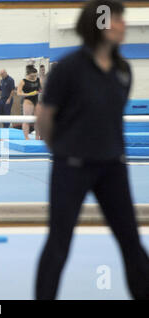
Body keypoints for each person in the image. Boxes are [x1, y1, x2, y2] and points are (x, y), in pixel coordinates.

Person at [35, 0, 149, 300]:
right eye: (117, 19)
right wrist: (64, 150)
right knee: (60, 242)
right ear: (98, 24)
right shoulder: (69, 68)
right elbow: (45, 119)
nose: (123, 24)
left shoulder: (123, 70)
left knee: (130, 241)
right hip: (71, 166)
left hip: (112, 167)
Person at [17, 65, 42, 140]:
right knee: (26, 120)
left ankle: (37, 136)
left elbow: (41, 89)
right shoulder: (23, 81)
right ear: (28, 74)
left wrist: (40, 91)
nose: (34, 77)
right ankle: (26, 137)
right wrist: (29, 94)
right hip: (28, 101)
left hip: (36, 100)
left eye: (35, 75)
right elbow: (18, 93)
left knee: (37, 120)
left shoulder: (38, 79)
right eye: (32, 76)